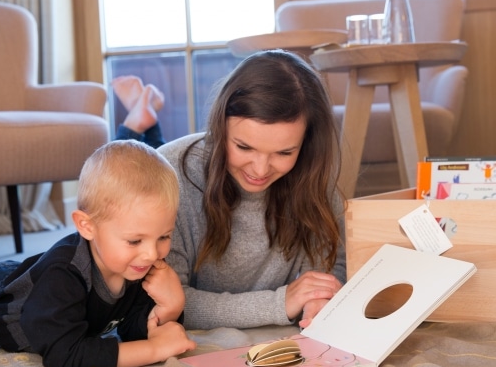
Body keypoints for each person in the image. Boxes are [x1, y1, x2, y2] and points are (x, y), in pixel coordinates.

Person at [0, 140, 196, 367]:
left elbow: (132, 329)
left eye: (164, 237)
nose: (152, 253)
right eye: (134, 240)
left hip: (18, 282)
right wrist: (153, 349)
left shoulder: (135, 263)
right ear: (86, 226)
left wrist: (171, 306)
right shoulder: (65, 276)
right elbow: (66, 357)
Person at [111, 50, 346, 332]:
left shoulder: (311, 174)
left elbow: (332, 264)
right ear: (219, 127)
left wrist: (318, 299)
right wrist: (279, 303)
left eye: (284, 152)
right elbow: (157, 301)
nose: (260, 170)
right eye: (244, 147)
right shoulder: (172, 176)